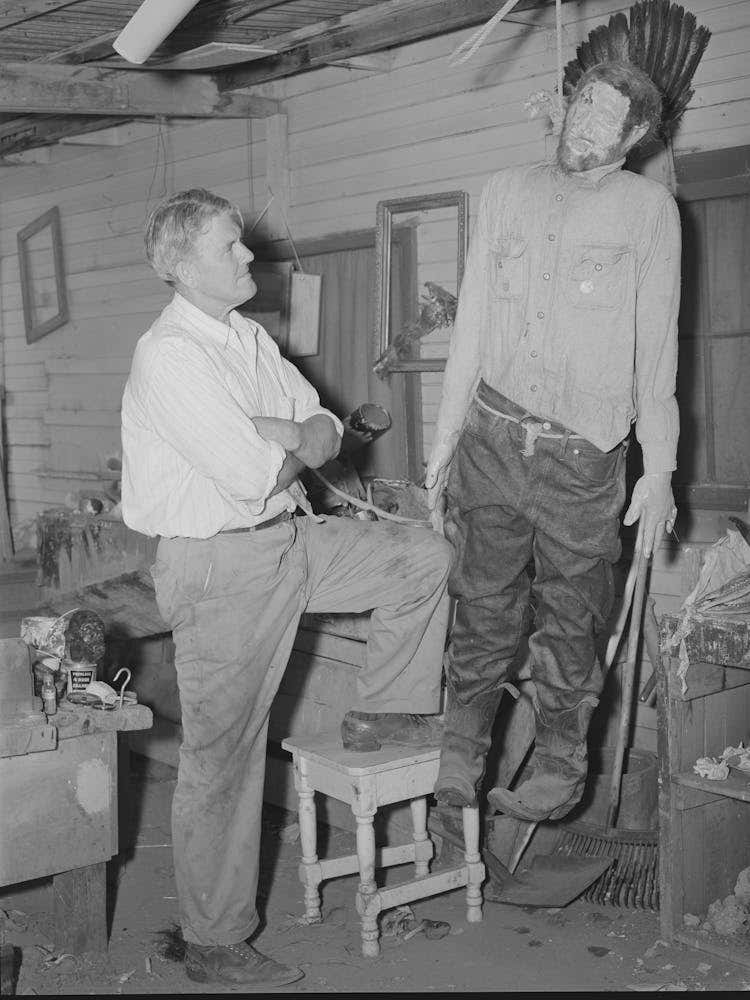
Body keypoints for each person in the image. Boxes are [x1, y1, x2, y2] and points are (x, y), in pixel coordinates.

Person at [120, 188, 451, 988]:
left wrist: (292, 435)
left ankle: (380, 710)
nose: (248, 258)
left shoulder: (246, 338)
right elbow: (259, 469)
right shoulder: (171, 354)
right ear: (180, 265)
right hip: (219, 564)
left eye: (244, 244)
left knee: (422, 558)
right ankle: (214, 940)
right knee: (225, 757)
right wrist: (291, 439)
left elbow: (326, 432)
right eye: (231, 247)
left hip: (288, 538)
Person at [424, 8, 709, 829]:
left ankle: (558, 764)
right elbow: (471, 325)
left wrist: (658, 473)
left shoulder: (649, 213)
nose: (584, 123)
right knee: (480, 603)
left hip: (584, 457)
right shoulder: (505, 192)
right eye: (579, 104)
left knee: (573, 617)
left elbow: (659, 355)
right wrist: (443, 446)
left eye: (604, 116)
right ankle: (460, 756)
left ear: (635, 138)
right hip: (490, 435)